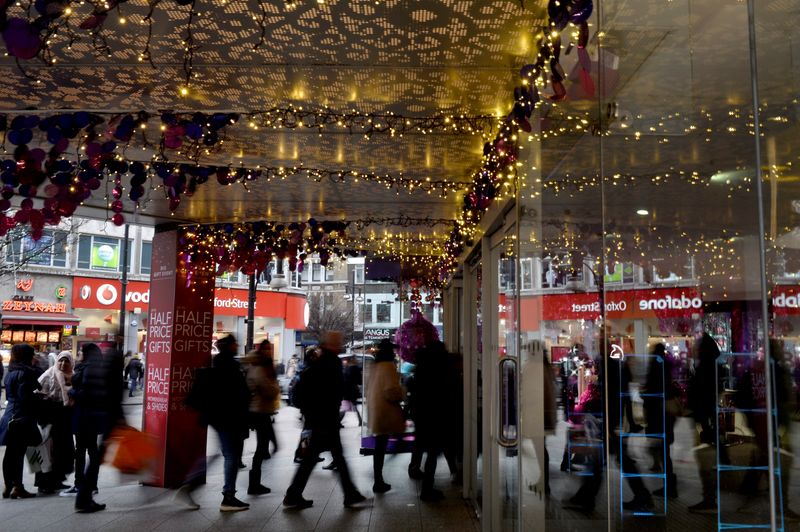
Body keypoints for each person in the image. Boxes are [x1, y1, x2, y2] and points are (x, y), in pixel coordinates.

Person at [284, 331, 365, 509]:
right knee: (327, 457)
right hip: (325, 419)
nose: (340, 344)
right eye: (338, 342)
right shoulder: (331, 362)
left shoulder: (319, 361)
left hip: (319, 418)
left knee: (318, 458)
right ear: (331, 344)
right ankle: (348, 493)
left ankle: (295, 494)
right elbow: (333, 391)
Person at [69, 343, 123, 513]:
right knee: (94, 456)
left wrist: (71, 392)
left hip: (88, 418)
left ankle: (84, 493)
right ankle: (85, 494)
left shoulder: (90, 368)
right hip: (98, 420)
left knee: (90, 454)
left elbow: (88, 393)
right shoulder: (100, 368)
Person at [410, 340, 451, 501]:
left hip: (421, 415)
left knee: (426, 449)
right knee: (433, 453)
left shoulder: (421, 368)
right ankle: (427, 489)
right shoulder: (439, 371)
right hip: (434, 416)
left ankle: (423, 481)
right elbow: (442, 395)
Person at [0, 343, 41, 499]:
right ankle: (18, 487)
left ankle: (8, 486)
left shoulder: (10, 372)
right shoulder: (26, 373)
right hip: (22, 418)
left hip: (9, 416)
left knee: (10, 454)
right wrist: (39, 397)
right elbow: (25, 397)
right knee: (18, 454)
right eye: (32, 355)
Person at [687, 332, 722, 513]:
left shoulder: (704, 370)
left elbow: (701, 396)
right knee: (708, 459)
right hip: (707, 418)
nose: (693, 349)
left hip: (704, 420)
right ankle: (710, 497)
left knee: (706, 459)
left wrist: (703, 423)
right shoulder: (713, 367)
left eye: (696, 346)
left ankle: (709, 499)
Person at [366, 339, 405, 493]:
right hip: (386, 411)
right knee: (381, 448)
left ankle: (378, 479)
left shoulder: (375, 366)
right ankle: (378, 480)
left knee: (379, 447)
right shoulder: (389, 366)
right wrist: (402, 391)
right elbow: (391, 391)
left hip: (377, 410)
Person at [35, 351, 75, 494]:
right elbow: (36, 395)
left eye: (66, 361)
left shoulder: (73, 377)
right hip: (48, 418)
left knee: (61, 452)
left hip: (63, 420)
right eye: (61, 361)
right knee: (43, 450)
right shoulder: (48, 375)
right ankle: (42, 483)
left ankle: (57, 481)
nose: (63, 364)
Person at [245, 339, 280, 495]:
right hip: (259, 412)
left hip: (263, 411)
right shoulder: (259, 368)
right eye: (265, 349)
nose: (268, 351)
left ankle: (255, 482)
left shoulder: (261, 366)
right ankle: (254, 484)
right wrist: (274, 388)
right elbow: (269, 390)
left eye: (269, 349)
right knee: (261, 448)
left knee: (264, 446)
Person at [644, 343, 678, 499]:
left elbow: (652, 390)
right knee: (664, 450)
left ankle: (670, 486)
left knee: (662, 449)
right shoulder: (666, 366)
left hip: (658, 413)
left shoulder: (656, 366)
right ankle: (669, 484)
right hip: (666, 413)